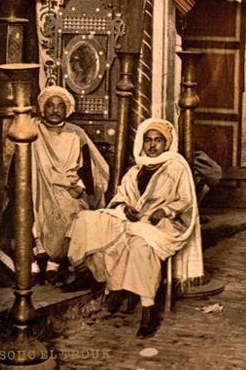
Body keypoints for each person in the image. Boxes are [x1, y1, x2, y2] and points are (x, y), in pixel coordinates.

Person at [67, 118, 203, 338]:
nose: (152, 145)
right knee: (90, 223)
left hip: (165, 226)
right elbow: (121, 195)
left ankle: (148, 310)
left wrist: (165, 211)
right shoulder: (136, 170)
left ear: (166, 144)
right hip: (134, 222)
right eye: (148, 140)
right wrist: (124, 207)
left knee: (139, 245)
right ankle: (111, 286)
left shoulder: (176, 166)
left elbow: (186, 201)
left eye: (158, 140)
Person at [31, 86, 109, 286]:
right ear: (42, 108)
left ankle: (54, 264)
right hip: (39, 187)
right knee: (38, 209)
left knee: (73, 211)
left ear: (67, 109)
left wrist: (82, 188)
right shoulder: (33, 131)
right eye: (50, 105)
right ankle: (43, 262)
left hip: (69, 189)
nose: (55, 110)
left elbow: (88, 170)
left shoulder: (76, 134)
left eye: (60, 106)